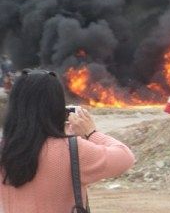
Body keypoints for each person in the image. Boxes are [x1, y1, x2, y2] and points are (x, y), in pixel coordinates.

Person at [0, 69, 135, 213]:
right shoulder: (73, 150)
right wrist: (91, 133)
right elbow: (125, 157)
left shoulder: (4, 150)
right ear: (57, 106)